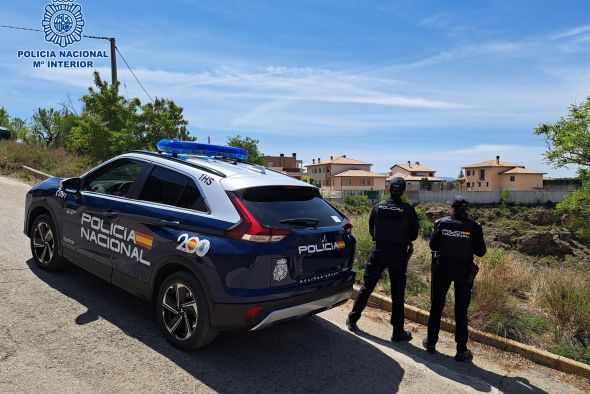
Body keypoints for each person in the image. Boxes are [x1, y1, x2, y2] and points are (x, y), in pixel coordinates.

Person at [346, 177, 418, 341]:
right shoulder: (407, 209)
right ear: (403, 191)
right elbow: (413, 235)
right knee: (398, 293)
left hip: (379, 251)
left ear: (389, 190)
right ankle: (397, 331)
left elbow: (372, 229)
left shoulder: (378, 207)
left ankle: (352, 318)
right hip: (398, 254)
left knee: (367, 286)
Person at [423, 195, 486, 361]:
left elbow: (433, 245)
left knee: (436, 305)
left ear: (452, 208)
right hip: (463, 271)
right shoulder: (474, 226)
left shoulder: (442, 223)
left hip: (442, 268)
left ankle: (430, 342)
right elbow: (481, 252)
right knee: (461, 310)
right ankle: (461, 350)